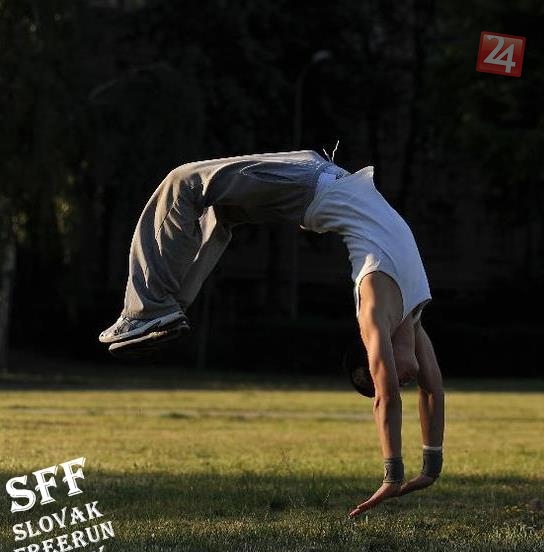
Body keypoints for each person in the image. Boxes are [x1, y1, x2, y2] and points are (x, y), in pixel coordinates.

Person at [99, 149, 445, 516]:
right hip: (313, 180)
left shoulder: (405, 315)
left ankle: (168, 309)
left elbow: (426, 392)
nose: (402, 381)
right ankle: (148, 310)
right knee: (183, 181)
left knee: (222, 212)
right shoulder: (382, 312)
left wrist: (427, 469)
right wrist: (400, 473)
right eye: (381, 378)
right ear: (379, 352)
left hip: (313, 190)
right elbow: (399, 396)